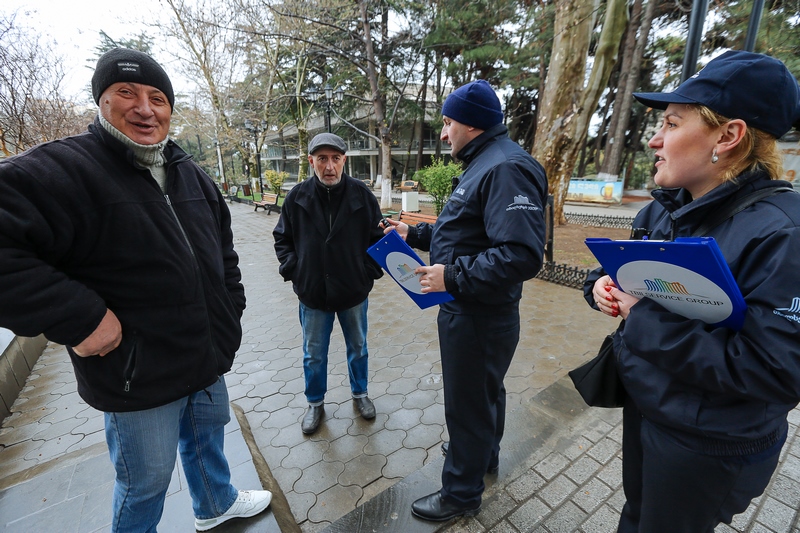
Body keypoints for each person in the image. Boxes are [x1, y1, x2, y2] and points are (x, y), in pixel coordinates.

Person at [0, 48, 271, 532]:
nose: (145, 108)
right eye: (127, 92)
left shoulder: (190, 172)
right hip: (138, 375)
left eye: (157, 98)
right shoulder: (64, 170)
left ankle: (217, 505)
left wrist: (230, 308)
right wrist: (79, 318)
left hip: (205, 356)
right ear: (101, 101)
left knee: (207, 441)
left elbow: (223, 251)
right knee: (146, 483)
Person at [584, 50, 800, 532]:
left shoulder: (785, 234)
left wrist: (640, 316)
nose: (654, 140)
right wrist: (598, 286)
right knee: (636, 515)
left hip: (709, 443)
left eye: (672, 123)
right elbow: (620, 272)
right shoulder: (665, 208)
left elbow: (775, 370)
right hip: (649, 408)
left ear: (728, 136)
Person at [383, 79, 548, 521]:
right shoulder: (484, 162)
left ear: (471, 124)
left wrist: (451, 275)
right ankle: (482, 454)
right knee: (485, 392)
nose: (443, 134)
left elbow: (521, 255)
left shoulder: (504, 167)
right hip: (475, 309)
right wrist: (415, 234)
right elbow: (468, 232)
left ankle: (460, 493)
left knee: (467, 403)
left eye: (447, 122)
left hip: (477, 314)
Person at [273, 133, 385, 435]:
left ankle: (360, 394)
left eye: (335, 158)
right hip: (313, 293)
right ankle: (315, 403)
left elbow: (379, 239)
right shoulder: (297, 197)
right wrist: (296, 270)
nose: (329, 166)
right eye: (322, 159)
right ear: (312, 161)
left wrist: (366, 272)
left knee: (358, 347)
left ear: (344, 160)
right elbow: (282, 238)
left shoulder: (361, 195)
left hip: (353, 291)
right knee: (313, 353)